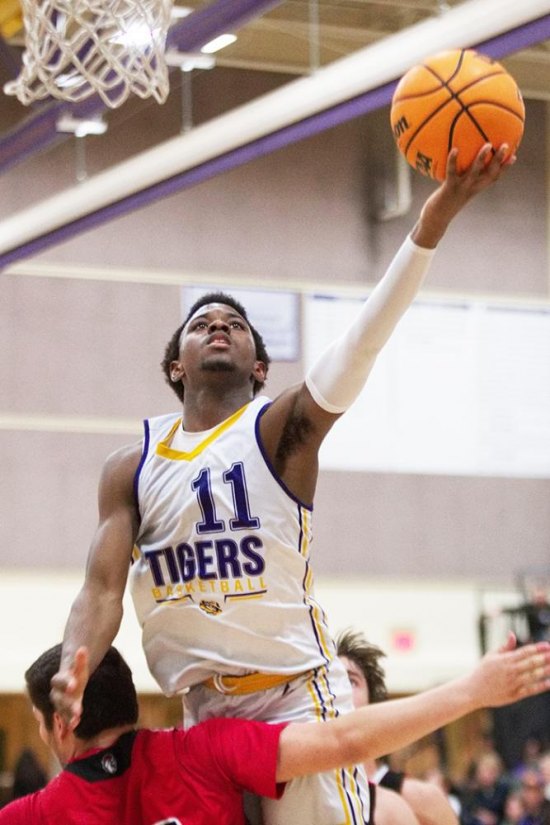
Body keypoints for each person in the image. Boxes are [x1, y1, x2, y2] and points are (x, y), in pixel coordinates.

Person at [51, 144, 515, 824]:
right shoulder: (132, 464)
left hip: (296, 698)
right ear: (175, 365)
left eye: (235, 324)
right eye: (201, 322)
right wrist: (73, 662)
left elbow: (361, 342)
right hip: (204, 714)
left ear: (259, 367)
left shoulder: (279, 432)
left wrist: (431, 223)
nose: (218, 324)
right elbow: (100, 588)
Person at [4, 635, 550, 824]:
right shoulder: (203, 751)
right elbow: (343, 741)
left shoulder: (29, 815)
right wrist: (474, 691)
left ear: (59, 722)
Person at [337, 628, 461, 825]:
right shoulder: (307, 795)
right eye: (331, 681)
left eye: (351, 681)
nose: (339, 690)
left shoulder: (420, 798)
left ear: (373, 705)